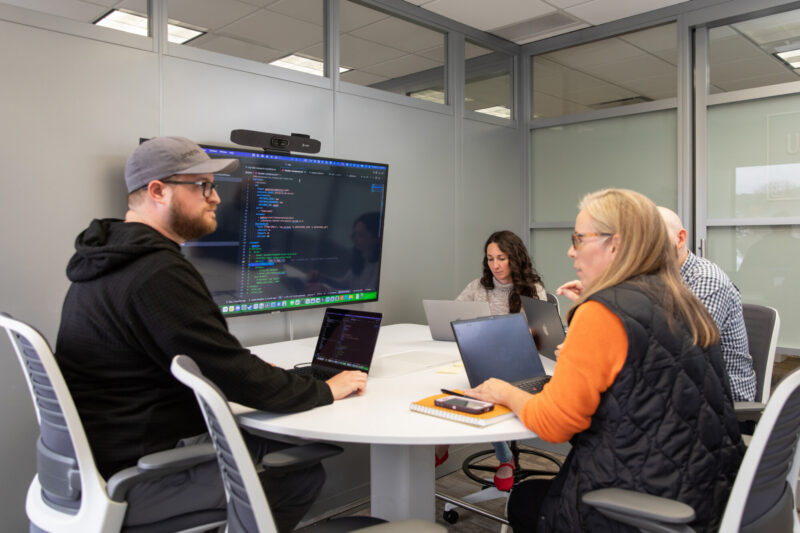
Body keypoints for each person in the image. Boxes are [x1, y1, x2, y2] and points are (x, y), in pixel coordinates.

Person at [54, 136, 368, 532]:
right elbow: (231, 373)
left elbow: (208, 362)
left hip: (107, 453)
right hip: (143, 467)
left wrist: (254, 371)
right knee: (297, 474)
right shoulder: (156, 272)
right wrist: (325, 388)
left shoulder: (105, 259)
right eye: (202, 186)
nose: (215, 197)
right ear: (158, 191)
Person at [466, 189, 743, 532]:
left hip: (639, 505)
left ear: (615, 244)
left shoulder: (603, 314)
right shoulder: (682, 298)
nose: (571, 251)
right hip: (711, 495)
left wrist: (505, 392)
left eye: (579, 239)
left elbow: (554, 425)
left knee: (524, 499)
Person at [443, 230, 547, 491]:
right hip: (481, 356)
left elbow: (539, 335)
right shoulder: (478, 286)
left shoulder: (532, 289)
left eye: (502, 258)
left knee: (487, 387)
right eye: (490, 259)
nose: (495, 265)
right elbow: (453, 315)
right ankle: (442, 442)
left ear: (515, 257)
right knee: (454, 385)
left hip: (518, 359)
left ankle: (504, 458)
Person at [658, 206, 757, 402]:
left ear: (680, 238)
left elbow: (685, 351)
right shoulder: (658, 277)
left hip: (724, 401)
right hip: (686, 389)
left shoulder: (706, 280)